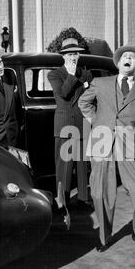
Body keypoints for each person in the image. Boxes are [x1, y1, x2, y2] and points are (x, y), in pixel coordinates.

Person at [78, 45, 135, 253]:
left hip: (132, 143)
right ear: (118, 63)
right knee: (100, 193)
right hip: (102, 141)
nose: (128, 59)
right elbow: (84, 102)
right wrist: (97, 122)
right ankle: (104, 236)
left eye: (133, 58)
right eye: (124, 57)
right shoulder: (100, 83)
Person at [47, 38, 94, 225]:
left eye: (76, 53)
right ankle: (62, 202)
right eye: (69, 54)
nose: (73, 57)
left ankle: (83, 199)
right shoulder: (55, 74)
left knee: (82, 165)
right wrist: (73, 74)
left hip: (82, 123)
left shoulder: (87, 74)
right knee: (64, 166)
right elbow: (64, 94)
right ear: (63, 56)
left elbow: (91, 97)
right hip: (65, 124)